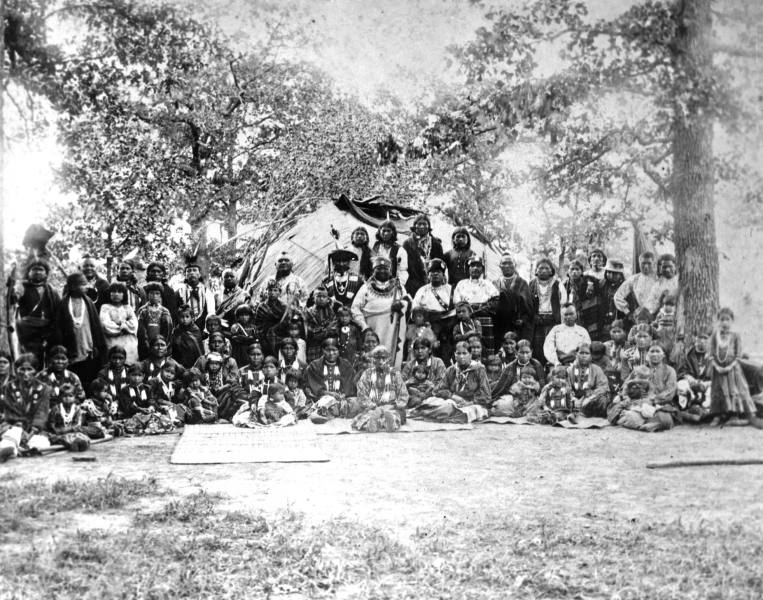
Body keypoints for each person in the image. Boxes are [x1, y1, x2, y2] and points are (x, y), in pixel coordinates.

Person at [409, 341, 490, 423]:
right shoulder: (451, 370)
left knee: (462, 411)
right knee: (435, 402)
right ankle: (431, 413)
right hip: (453, 401)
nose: (461, 356)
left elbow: (486, 395)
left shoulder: (479, 370)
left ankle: (425, 413)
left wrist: (469, 402)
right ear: (455, 355)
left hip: (472, 404)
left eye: (464, 353)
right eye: (458, 353)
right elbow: (438, 390)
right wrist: (452, 396)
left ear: (470, 355)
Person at [708, 308, 763, 428]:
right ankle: (718, 415)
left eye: (727, 319)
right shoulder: (714, 336)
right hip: (718, 370)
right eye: (722, 319)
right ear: (718, 321)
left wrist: (729, 367)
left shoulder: (735, 336)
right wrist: (717, 366)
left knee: (734, 390)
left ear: (731, 321)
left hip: (732, 369)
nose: (724, 322)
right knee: (719, 391)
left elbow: (738, 355)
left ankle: (734, 415)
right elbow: (711, 354)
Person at [351, 256, 410, 368]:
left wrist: (402, 305)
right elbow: (355, 308)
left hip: (392, 331)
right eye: (379, 268)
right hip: (372, 329)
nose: (382, 271)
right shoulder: (366, 288)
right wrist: (364, 327)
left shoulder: (399, 287)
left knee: (389, 355)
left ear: (390, 271)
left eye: (385, 268)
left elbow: (408, 302)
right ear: (373, 271)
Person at [54, 272, 108, 389]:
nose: (86, 287)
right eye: (82, 284)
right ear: (72, 287)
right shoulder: (63, 304)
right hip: (72, 352)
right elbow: (58, 329)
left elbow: (97, 327)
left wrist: (100, 347)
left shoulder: (88, 302)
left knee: (89, 379)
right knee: (73, 381)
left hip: (88, 350)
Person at [0, 354, 51, 461]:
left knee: (41, 444)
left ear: (36, 371)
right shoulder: (9, 387)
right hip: (15, 425)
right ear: (16, 370)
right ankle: (12, 448)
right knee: (10, 438)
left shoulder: (44, 388)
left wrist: (31, 431)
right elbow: (10, 411)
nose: (25, 373)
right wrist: (20, 429)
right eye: (22, 369)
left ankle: (23, 447)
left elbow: (42, 413)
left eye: (29, 369)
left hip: (34, 429)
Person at [13, 259, 61, 366]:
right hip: (28, 331)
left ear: (46, 273)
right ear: (28, 273)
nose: (38, 272)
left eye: (41, 270)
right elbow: (15, 297)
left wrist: (52, 330)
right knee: (30, 360)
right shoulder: (22, 287)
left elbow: (58, 311)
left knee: (48, 360)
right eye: (34, 269)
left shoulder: (52, 290)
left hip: (48, 330)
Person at [353, 346, 408, 432]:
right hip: (373, 407)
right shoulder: (367, 373)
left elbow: (403, 393)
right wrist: (372, 405)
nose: (381, 361)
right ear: (373, 359)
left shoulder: (395, 373)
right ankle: (374, 423)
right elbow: (361, 393)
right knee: (362, 418)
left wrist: (394, 405)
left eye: (383, 358)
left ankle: (390, 422)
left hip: (391, 407)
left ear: (389, 358)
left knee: (397, 415)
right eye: (377, 358)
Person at [304, 338, 360, 422]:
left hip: (342, 399)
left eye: (334, 350)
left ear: (338, 351)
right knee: (325, 401)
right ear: (323, 350)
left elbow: (349, 385)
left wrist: (343, 395)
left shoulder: (346, 365)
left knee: (356, 403)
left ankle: (332, 412)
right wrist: (328, 393)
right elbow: (315, 387)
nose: (331, 353)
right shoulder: (315, 365)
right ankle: (322, 413)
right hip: (321, 398)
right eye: (328, 350)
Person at [607, 365, 674, 432]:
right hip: (631, 401)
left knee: (653, 410)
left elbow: (651, 393)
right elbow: (625, 393)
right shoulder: (629, 383)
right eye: (640, 377)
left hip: (643, 402)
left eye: (645, 378)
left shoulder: (649, 384)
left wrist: (648, 399)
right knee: (618, 408)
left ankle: (649, 423)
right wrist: (626, 398)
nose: (642, 380)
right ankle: (618, 419)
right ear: (636, 375)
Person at [412, 258, 455, 360]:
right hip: (428, 325)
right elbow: (415, 310)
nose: (435, 274)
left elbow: (457, 308)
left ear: (443, 274)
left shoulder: (450, 289)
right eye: (432, 272)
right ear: (428, 275)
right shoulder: (422, 291)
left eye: (439, 272)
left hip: (447, 326)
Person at [454, 257, 499, 353]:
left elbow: (496, 300)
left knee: (486, 347)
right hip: (467, 319)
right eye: (472, 266)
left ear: (482, 269)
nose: (475, 268)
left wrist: (482, 309)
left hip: (484, 317)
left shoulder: (488, 284)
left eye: (478, 266)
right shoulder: (461, 284)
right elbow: (457, 303)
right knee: (467, 346)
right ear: (468, 269)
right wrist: (467, 311)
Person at [528, 258, 567, 364]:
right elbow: (527, 304)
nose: (544, 270)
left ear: (551, 271)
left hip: (552, 320)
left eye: (546, 268)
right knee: (537, 346)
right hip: (537, 321)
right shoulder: (531, 284)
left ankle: (550, 369)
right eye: (541, 268)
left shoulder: (558, 284)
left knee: (551, 345)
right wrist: (533, 316)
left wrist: (556, 317)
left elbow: (563, 302)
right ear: (536, 270)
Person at [493, 253, 533, 343]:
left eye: (510, 263)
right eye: (504, 263)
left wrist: (523, 319)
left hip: (517, 325)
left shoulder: (522, 283)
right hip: (499, 324)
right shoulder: (495, 283)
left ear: (515, 265)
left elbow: (528, 306)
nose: (507, 266)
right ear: (500, 266)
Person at [402, 214, 444, 297]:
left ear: (429, 226)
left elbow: (440, 265)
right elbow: (404, 266)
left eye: (424, 224)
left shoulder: (436, 244)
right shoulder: (407, 244)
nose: (421, 226)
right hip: (412, 283)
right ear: (414, 226)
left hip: (432, 282)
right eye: (419, 224)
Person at [613, 251, 659, 324]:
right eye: (643, 263)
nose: (646, 266)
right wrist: (628, 312)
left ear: (654, 264)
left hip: (656, 319)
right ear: (639, 263)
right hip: (639, 318)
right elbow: (618, 296)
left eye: (649, 263)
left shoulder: (659, 280)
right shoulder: (634, 279)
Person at [567, 342, 611, 418]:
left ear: (591, 356)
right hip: (574, 400)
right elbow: (566, 387)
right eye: (581, 353)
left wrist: (588, 398)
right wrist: (574, 399)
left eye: (587, 353)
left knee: (603, 399)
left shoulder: (596, 369)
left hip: (590, 399)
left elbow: (603, 387)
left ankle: (581, 413)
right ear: (576, 354)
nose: (584, 356)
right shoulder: (569, 370)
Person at [100, 282, 140, 364]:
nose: (116, 294)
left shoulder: (127, 308)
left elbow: (134, 323)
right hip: (112, 340)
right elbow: (105, 323)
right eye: (113, 292)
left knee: (129, 364)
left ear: (124, 295)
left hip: (128, 342)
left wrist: (125, 326)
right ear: (109, 294)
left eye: (119, 292)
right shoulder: (105, 307)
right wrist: (120, 328)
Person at [563, 259, 603, 341]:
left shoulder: (589, 280)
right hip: (573, 315)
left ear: (582, 271)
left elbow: (597, 283)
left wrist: (590, 285)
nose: (574, 272)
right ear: (568, 272)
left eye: (577, 269)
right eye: (572, 269)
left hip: (588, 315)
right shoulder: (565, 285)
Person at [174, 260, 216, 331]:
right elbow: (175, 312)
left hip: (202, 328)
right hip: (184, 329)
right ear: (185, 275)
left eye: (194, 270)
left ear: (199, 274)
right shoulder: (179, 292)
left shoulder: (207, 292)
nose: (192, 273)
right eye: (189, 271)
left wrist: (206, 329)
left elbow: (211, 312)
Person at [253, 279, 291, 357]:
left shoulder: (284, 307)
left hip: (281, 338)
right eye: (270, 290)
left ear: (279, 292)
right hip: (264, 339)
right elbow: (258, 325)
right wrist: (263, 338)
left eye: (275, 290)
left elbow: (287, 324)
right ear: (267, 291)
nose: (272, 293)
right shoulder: (262, 307)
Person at [137, 282, 173, 360]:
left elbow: (168, 328)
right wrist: (145, 343)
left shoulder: (164, 311)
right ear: (147, 295)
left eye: (157, 293)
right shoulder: (143, 310)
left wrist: (163, 342)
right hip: (145, 343)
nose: (154, 296)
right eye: (151, 293)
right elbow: (141, 329)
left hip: (160, 340)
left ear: (160, 296)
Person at [304, 285, 338, 362]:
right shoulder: (308, 313)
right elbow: (310, 333)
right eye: (319, 296)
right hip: (314, 347)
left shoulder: (331, 312)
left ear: (327, 298)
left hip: (329, 346)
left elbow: (334, 330)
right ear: (313, 298)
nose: (321, 299)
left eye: (324, 296)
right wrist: (327, 330)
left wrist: (321, 331)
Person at [371, 219, 408, 288]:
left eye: (388, 231)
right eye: (384, 231)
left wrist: (398, 284)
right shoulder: (375, 246)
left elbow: (403, 271)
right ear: (379, 232)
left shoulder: (400, 250)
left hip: (392, 284)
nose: (386, 233)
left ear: (393, 233)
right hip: (375, 283)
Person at [170, 304, 204, 369]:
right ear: (178, 317)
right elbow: (174, 346)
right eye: (182, 317)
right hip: (178, 361)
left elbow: (198, 349)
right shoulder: (177, 330)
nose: (184, 319)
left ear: (192, 317)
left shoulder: (195, 331)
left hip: (192, 362)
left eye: (187, 317)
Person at [600, 260, 626, 339]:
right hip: (603, 319)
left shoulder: (625, 287)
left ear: (620, 274)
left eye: (615, 273)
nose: (611, 275)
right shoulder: (602, 285)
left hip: (618, 319)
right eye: (609, 272)